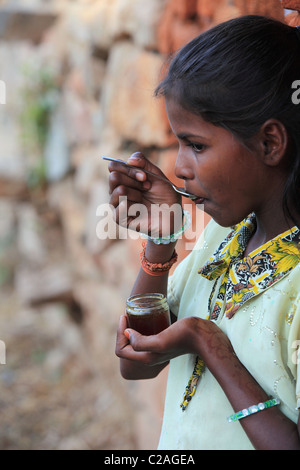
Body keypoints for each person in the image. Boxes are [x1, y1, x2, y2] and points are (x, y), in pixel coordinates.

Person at [108, 15, 300, 450]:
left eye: (196, 145)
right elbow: (136, 362)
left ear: (270, 143)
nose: (178, 167)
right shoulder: (224, 239)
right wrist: (161, 240)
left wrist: (209, 344)